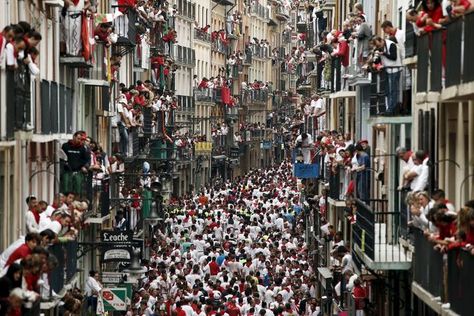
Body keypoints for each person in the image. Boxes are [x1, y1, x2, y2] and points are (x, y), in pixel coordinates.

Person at [61, 131, 91, 195]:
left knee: (78, 190)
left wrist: (85, 167)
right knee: (66, 189)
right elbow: (61, 157)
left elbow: (87, 159)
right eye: (78, 138)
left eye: (80, 139)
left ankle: (76, 202)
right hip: (67, 171)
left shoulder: (83, 148)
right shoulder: (65, 146)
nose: (79, 141)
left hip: (78, 171)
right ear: (74, 137)